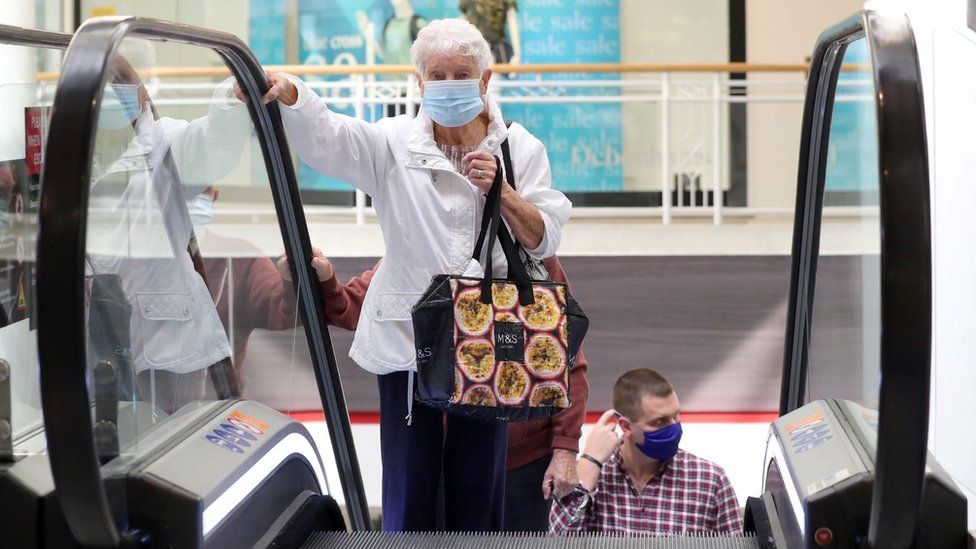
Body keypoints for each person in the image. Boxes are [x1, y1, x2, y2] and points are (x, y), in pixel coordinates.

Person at [265, 18, 571, 531]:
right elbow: (331, 139)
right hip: (408, 336)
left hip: (490, 340)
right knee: (409, 487)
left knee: (480, 489)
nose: (449, 83)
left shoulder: (520, 148)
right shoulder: (391, 143)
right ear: (419, 81)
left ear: (485, 79)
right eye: (438, 73)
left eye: (461, 73)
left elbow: (545, 236)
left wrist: (503, 190)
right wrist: (295, 93)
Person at [282, 250, 588, 531]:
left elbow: (566, 361)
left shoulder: (531, 255)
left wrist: (565, 449)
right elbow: (354, 306)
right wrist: (324, 279)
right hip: (446, 457)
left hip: (523, 463)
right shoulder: (420, 248)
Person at [550, 368, 743, 534]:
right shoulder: (594, 478)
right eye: (660, 421)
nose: (674, 427)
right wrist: (589, 462)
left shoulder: (710, 481)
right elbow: (558, 541)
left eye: (676, 416)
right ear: (626, 427)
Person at [459, 0, 521, 65]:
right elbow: (462, 26)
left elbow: (513, 25)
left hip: (498, 49)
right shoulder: (467, 2)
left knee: (499, 72)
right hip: (475, 49)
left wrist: (516, 55)